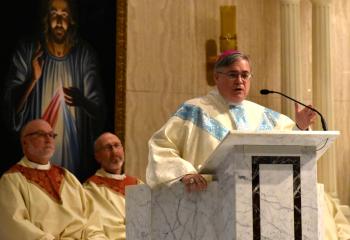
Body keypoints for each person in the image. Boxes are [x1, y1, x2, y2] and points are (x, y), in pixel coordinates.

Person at [146, 49, 316, 192]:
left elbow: (287, 150)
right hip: (206, 199)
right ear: (216, 77)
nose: (240, 81)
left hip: (259, 199)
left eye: (245, 75)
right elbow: (161, 146)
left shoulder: (265, 116)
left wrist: (300, 127)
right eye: (233, 74)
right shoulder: (194, 111)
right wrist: (184, 173)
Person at [2, 0, 105, 180]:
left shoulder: (84, 55)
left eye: (64, 15)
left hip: (72, 154)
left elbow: (99, 111)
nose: (59, 20)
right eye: (53, 14)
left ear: (71, 19)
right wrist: (32, 79)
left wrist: (82, 101)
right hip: (35, 158)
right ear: (45, 18)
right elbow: (11, 109)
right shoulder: (28, 50)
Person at [0, 119, 107, 239]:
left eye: (51, 135)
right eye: (41, 134)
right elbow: (16, 226)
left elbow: (92, 220)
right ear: (25, 143)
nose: (48, 139)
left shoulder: (67, 176)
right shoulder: (11, 180)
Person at [84, 132, 143, 240]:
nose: (114, 152)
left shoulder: (137, 184)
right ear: (97, 157)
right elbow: (92, 230)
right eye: (107, 148)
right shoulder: (91, 189)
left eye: (117, 146)